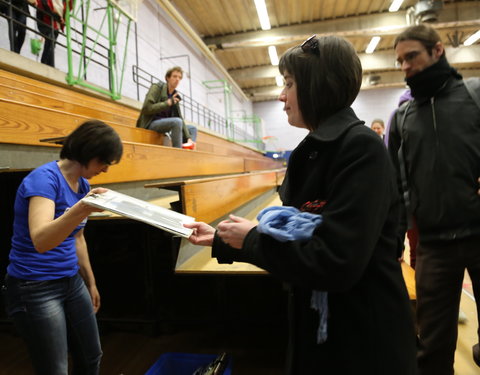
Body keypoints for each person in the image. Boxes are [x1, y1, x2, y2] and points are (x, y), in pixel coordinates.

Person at [185, 35, 417, 374]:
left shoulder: (360, 149)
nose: (281, 96)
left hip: (360, 342)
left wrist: (250, 239)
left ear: (317, 86)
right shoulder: (313, 150)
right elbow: (292, 242)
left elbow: (335, 260)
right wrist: (222, 239)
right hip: (321, 330)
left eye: (289, 84)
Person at [388, 24, 480, 374]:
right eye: (400, 61)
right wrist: (394, 241)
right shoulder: (404, 117)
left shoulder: (474, 95)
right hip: (434, 247)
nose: (405, 66)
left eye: (411, 56)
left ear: (438, 51)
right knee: (433, 347)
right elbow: (397, 186)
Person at [2, 120, 123, 374]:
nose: (105, 170)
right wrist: (82, 208)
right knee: (55, 369)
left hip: (70, 281)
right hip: (34, 287)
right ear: (89, 154)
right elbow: (42, 240)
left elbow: (77, 238)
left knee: (91, 355)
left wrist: (90, 282)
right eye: (104, 163)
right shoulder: (44, 180)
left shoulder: (83, 186)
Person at [136, 66, 197, 149]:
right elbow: (147, 108)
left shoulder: (175, 95)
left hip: (166, 125)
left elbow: (179, 117)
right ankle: (178, 152)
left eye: (179, 77)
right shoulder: (157, 87)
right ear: (167, 78)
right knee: (177, 122)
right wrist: (167, 103)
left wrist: (188, 137)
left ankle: (187, 148)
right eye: (174, 76)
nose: (177, 79)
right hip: (151, 123)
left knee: (192, 129)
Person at [34, 0, 71, 67]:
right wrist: (59, 17)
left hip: (56, 25)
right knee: (51, 40)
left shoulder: (62, 1)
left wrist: (62, 19)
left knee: (52, 44)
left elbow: (63, 11)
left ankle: (50, 65)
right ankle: (44, 62)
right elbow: (46, 8)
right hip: (45, 22)